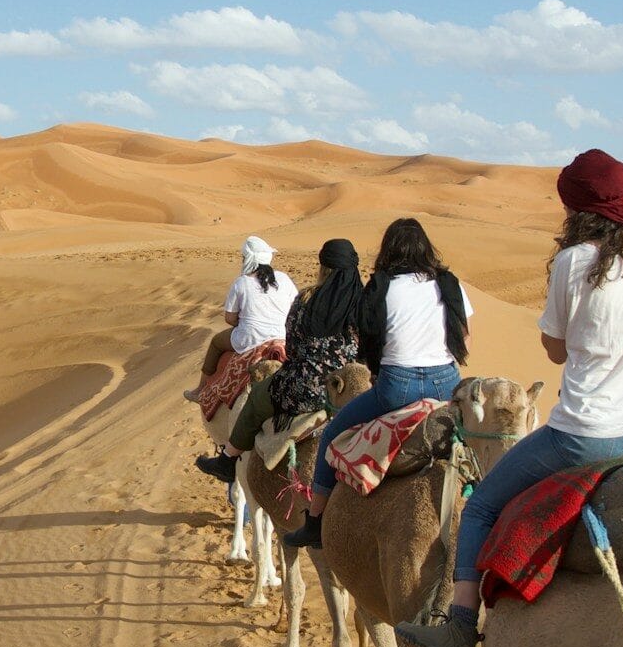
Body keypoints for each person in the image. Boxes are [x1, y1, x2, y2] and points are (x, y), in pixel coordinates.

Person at [395, 149, 623, 647]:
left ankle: (459, 627)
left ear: (575, 210)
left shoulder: (574, 262)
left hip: (586, 435)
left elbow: (555, 351)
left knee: (482, 508)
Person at [282, 218, 473, 547]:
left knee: (331, 434)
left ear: (388, 250)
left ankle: (314, 522)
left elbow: (370, 345)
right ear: (426, 248)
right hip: (447, 383)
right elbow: (464, 336)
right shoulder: (449, 283)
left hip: (397, 386)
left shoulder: (381, 287)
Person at [196, 238, 365, 482]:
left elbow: (292, 345)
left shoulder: (307, 300)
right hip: (352, 389)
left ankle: (227, 460)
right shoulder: (366, 304)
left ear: (322, 268)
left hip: (309, 388)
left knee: (256, 399)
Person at [183, 235, 298, 403]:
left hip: (250, 338)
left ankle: (200, 390)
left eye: (243, 257)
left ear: (249, 259)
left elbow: (229, 318)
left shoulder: (241, 282)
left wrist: (244, 322)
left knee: (216, 342)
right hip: (282, 336)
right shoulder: (284, 279)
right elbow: (295, 307)